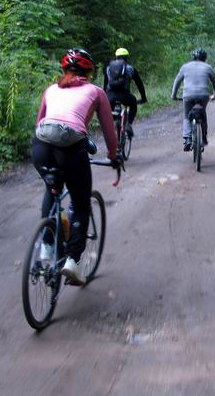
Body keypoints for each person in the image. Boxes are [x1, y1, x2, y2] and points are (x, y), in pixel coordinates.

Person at [32, 48, 118, 284]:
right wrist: (114, 155)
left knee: (53, 189)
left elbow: (40, 122)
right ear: (89, 72)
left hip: (40, 147)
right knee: (80, 203)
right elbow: (109, 131)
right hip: (71, 148)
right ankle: (72, 262)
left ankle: (46, 249)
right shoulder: (95, 91)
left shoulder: (51, 90)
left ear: (64, 69)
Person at [171, 48, 215, 151]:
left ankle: (188, 138)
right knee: (202, 113)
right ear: (204, 58)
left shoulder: (185, 67)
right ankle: (204, 137)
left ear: (193, 57)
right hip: (203, 95)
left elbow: (177, 82)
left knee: (186, 115)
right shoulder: (208, 67)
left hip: (188, 95)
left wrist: (174, 95)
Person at [103, 47, 147, 138]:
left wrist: (104, 99)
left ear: (116, 57)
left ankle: (113, 127)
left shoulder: (108, 68)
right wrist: (143, 98)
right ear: (127, 58)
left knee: (111, 114)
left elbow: (105, 85)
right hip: (125, 96)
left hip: (110, 96)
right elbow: (139, 84)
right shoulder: (131, 68)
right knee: (133, 104)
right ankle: (128, 125)